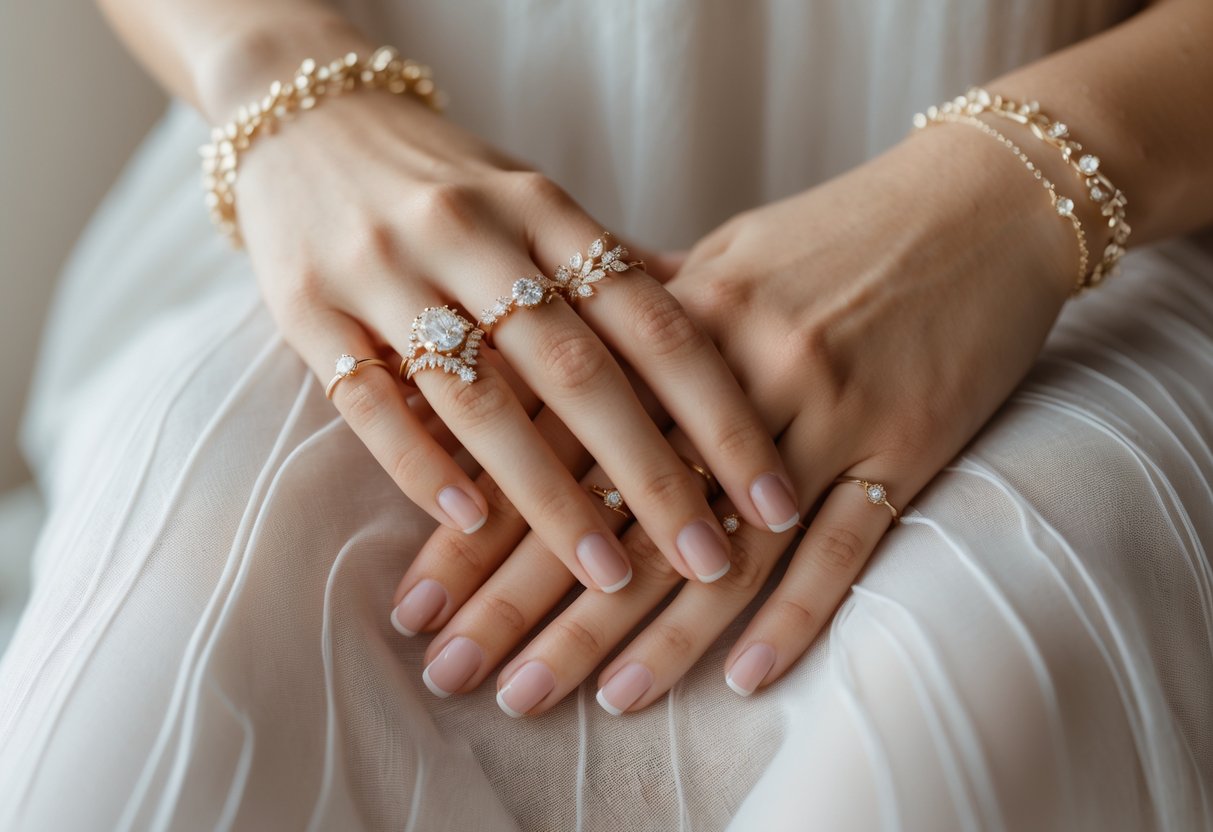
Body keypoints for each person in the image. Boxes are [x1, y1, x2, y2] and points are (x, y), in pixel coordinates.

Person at [1, 0, 1210, 828]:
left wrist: (1016, 194)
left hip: (1056, 241)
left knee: (975, 704)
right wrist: (283, 90)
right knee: (161, 691)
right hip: (348, 208)